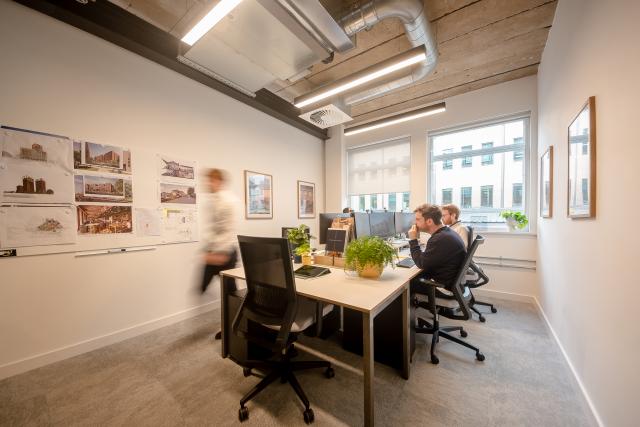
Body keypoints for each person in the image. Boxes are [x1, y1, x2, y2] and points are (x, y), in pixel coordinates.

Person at [407, 203, 466, 288]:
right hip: (451, 282)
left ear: (429, 221)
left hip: (443, 287)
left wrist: (413, 240)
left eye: (417, 219)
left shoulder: (439, 239)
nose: (415, 223)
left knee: (402, 284)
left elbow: (421, 263)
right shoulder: (446, 233)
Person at [201, 168, 238, 294]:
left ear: (219, 181)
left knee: (230, 292)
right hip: (215, 250)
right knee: (202, 286)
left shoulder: (228, 201)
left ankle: (239, 311)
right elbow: (212, 228)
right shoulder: (213, 200)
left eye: (211, 181)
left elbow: (228, 229)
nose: (208, 184)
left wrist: (220, 252)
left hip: (225, 252)